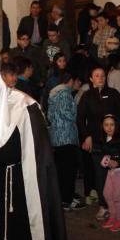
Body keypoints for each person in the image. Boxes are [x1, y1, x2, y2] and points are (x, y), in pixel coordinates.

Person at [0, 24, 68, 240]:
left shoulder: (26, 103)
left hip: (16, 169)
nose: (10, 79)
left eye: (13, 75)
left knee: (17, 214)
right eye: (6, 75)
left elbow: (37, 139)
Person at [77, 66, 120, 216]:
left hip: (113, 142)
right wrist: (86, 136)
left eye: (103, 76)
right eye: (97, 76)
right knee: (100, 174)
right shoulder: (87, 96)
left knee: (114, 174)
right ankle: (103, 206)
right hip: (96, 142)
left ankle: (115, 205)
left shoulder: (113, 94)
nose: (100, 78)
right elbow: (80, 119)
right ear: (91, 79)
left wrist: (119, 137)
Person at [47, 72, 84, 211]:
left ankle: (63, 198)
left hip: (57, 138)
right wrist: (77, 114)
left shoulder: (54, 94)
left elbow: (50, 115)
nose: (79, 84)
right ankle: (67, 200)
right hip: (66, 137)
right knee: (68, 171)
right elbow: (67, 113)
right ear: (71, 81)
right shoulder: (65, 93)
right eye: (77, 81)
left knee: (61, 170)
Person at [92, 115, 120, 232]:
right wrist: (101, 157)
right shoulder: (103, 138)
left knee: (117, 197)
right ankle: (113, 217)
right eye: (106, 125)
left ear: (116, 126)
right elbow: (98, 151)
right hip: (111, 171)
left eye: (112, 125)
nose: (109, 128)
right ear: (102, 126)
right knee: (107, 194)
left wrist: (117, 162)